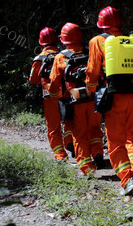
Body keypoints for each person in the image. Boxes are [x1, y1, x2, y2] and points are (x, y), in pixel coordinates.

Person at [86, 6, 133, 196]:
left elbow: (92, 70)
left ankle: (126, 179)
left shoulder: (97, 41)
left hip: (114, 96)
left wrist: (90, 88)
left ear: (101, 24)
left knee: (116, 140)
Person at [48, 22, 99, 176]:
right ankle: (98, 153)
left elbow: (54, 82)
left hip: (75, 101)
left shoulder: (61, 57)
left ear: (63, 39)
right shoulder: (89, 52)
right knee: (95, 128)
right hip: (94, 98)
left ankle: (87, 167)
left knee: (79, 133)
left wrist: (55, 95)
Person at [28, 26, 71, 161]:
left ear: (41, 42)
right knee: (69, 121)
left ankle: (60, 155)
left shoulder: (39, 58)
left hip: (49, 97)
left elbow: (33, 80)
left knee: (53, 126)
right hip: (66, 94)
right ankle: (70, 143)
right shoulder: (64, 55)